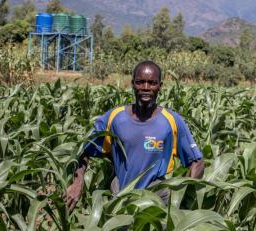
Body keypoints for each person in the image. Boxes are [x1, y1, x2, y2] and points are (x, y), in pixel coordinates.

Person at [66, 60, 204, 211]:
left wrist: (181, 200)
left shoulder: (171, 121)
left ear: (160, 86)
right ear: (133, 84)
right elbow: (85, 150)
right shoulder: (115, 118)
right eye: (140, 82)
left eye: (152, 83)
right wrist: (77, 184)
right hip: (120, 197)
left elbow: (197, 162)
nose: (146, 88)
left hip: (157, 200)